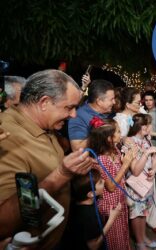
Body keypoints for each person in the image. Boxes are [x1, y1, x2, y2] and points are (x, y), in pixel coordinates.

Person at [0, 69, 93, 249]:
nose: (74, 115)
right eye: (69, 107)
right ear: (44, 102)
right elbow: (2, 222)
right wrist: (61, 174)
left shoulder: (45, 126)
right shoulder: (7, 136)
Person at [88, 117, 134, 250]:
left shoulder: (115, 150)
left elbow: (119, 176)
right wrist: (125, 165)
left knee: (124, 233)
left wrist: (127, 157)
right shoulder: (101, 159)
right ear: (109, 138)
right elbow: (111, 187)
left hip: (120, 200)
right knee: (115, 240)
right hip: (111, 206)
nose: (121, 134)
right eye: (118, 132)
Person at [122, 113, 156, 250]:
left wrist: (154, 170)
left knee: (144, 213)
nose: (151, 127)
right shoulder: (130, 142)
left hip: (147, 184)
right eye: (149, 124)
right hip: (135, 187)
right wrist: (147, 153)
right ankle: (139, 242)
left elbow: (155, 160)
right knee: (136, 215)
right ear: (141, 127)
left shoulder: (146, 140)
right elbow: (136, 171)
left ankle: (144, 237)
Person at [71, 168, 122, 250]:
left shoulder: (82, 202)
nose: (104, 181)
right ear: (91, 194)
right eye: (100, 182)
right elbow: (93, 246)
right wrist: (111, 219)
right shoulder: (87, 216)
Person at [68, 79, 115, 151]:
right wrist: (99, 132)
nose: (114, 102)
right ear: (99, 101)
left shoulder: (108, 113)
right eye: (111, 99)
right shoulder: (78, 117)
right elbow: (77, 149)